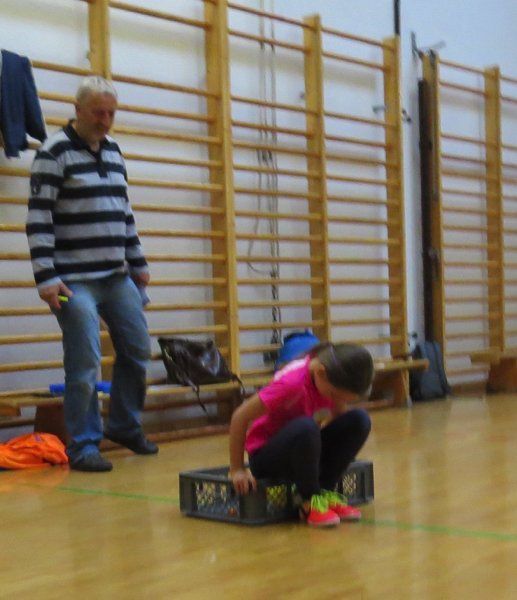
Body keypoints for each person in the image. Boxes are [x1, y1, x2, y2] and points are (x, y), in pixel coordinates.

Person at [26, 76, 158, 472]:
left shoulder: (114, 151)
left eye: (111, 113)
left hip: (116, 277)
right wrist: (46, 278)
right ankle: (83, 445)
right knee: (84, 359)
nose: (105, 120)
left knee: (138, 349)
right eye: (98, 112)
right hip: (71, 282)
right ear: (78, 110)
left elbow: (124, 213)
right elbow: (38, 219)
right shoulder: (54, 152)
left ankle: (124, 425)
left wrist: (138, 264)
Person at [229, 342, 374, 527]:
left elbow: (339, 418)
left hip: (302, 446)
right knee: (307, 428)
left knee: (359, 420)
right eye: (334, 395)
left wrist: (322, 452)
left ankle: (324, 492)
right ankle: (309, 500)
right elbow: (240, 417)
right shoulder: (292, 383)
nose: (336, 401)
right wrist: (237, 469)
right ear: (321, 373)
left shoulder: (328, 380)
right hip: (268, 456)